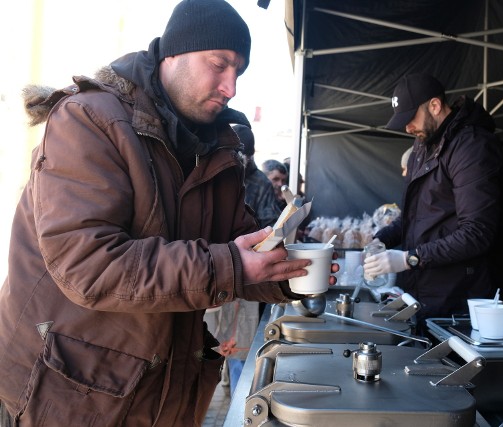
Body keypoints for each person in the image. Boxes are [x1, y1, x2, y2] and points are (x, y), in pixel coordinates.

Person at [0, 1, 337, 426]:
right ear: (172, 53)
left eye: (239, 71)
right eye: (219, 65)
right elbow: (88, 264)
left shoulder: (217, 149)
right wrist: (232, 265)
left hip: (164, 394)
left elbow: (244, 246)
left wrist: (296, 272)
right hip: (69, 396)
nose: (230, 86)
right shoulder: (89, 121)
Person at [363, 72, 503, 335]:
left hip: (461, 299)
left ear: (435, 105)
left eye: (410, 118)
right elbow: (414, 215)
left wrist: (410, 259)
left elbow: (477, 233)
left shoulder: (472, 147)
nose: (407, 128)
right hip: (424, 293)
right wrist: (381, 240)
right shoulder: (423, 145)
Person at [209, 124, 281, 396]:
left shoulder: (259, 182)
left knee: (242, 343)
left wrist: (255, 245)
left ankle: (239, 396)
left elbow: (271, 227)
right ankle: (218, 382)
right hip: (213, 269)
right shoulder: (215, 173)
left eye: (243, 155)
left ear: (250, 155)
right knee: (210, 341)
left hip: (248, 276)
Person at [234, 124, 281, 228]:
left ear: (250, 157)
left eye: (239, 159)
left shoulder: (261, 183)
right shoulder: (216, 176)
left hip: (247, 242)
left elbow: (270, 226)